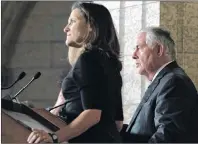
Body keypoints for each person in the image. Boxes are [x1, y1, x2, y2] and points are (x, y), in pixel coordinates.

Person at [27, 2, 124, 143]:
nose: (65, 29)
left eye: (72, 22)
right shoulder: (108, 61)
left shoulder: (88, 59)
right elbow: (117, 123)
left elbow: (92, 114)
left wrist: (53, 137)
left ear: (91, 26)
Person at [122, 27, 198, 143]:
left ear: (159, 50)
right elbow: (145, 131)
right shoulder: (165, 80)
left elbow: (167, 135)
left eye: (139, 47)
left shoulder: (174, 82)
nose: (133, 55)